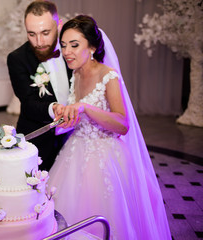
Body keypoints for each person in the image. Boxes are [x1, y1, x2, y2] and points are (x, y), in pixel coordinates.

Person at [48, 15, 172, 239]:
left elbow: (122, 124)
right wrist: (66, 117)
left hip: (105, 158)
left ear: (92, 47)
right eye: (64, 45)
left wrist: (85, 107)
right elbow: (79, 118)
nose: (67, 52)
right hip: (75, 153)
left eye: (75, 45)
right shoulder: (75, 74)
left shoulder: (108, 76)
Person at [7, 0, 72, 171]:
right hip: (38, 140)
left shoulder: (73, 50)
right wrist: (54, 108)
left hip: (75, 137)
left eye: (45, 32)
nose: (39, 41)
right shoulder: (17, 59)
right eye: (31, 34)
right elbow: (28, 103)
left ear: (59, 24)